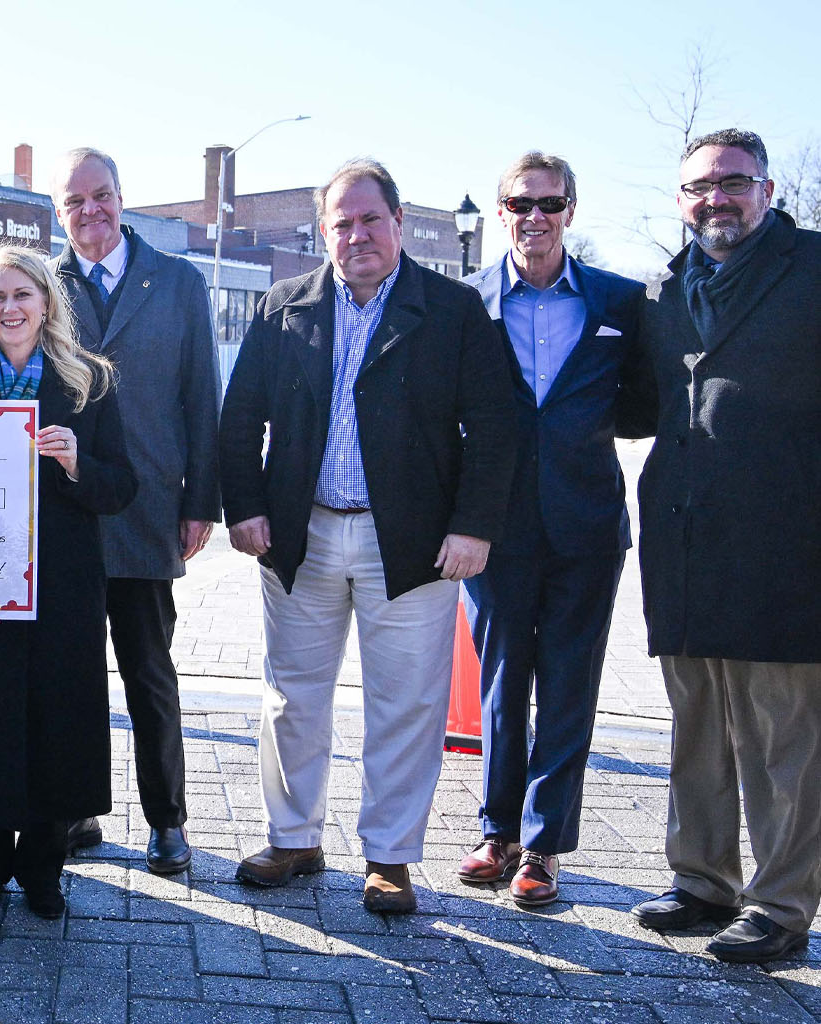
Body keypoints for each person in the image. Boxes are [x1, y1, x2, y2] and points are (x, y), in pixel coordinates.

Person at [217, 159, 515, 914]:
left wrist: (474, 527)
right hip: (301, 536)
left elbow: (496, 427)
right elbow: (238, 415)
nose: (357, 235)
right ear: (324, 232)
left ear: (399, 223)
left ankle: (389, 857)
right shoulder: (287, 306)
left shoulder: (450, 310)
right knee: (291, 699)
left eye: (370, 219)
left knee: (406, 704)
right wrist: (244, 506)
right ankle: (293, 838)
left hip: (410, 545)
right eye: (341, 223)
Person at [620, 129, 821, 963]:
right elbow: (637, 405)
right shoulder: (664, 288)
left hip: (788, 538)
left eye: (734, 183)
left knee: (781, 735)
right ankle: (703, 880)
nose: (717, 200)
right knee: (695, 722)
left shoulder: (811, 269)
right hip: (684, 537)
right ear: (680, 200)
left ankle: (780, 905)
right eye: (700, 187)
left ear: (768, 191)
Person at [455, 154, 646, 908]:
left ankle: (543, 845)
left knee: (569, 684)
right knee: (502, 681)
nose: (535, 216)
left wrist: (577, 438)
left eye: (550, 203)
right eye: (520, 203)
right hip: (494, 526)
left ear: (571, 209)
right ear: (502, 213)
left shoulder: (622, 303)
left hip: (586, 523)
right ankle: (496, 830)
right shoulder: (465, 302)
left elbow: (645, 404)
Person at [0, 245, 135, 918]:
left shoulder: (90, 384)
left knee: (56, 726)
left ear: (47, 302)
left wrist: (78, 464)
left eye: (23, 294)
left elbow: (123, 488)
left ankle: (44, 872)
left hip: (61, 588)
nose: (11, 308)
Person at [46, 148, 220, 873]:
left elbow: (201, 398)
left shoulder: (178, 282)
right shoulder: (43, 284)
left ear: (122, 198)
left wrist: (201, 501)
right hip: (66, 512)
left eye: (102, 195)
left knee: (148, 672)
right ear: (59, 212)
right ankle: (76, 810)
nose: (91, 211)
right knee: (71, 672)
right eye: (75, 201)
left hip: (149, 508)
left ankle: (167, 820)